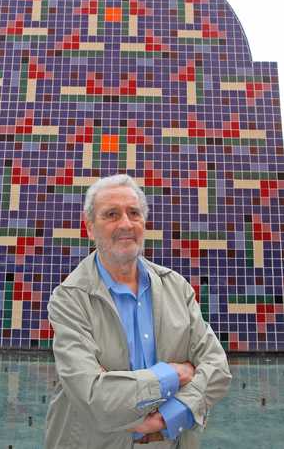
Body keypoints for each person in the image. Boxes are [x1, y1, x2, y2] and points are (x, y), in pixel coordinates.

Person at [45, 174, 231, 449]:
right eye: (111, 214)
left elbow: (217, 368)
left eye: (134, 213)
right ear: (89, 228)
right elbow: (94, 394)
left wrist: (166, 419)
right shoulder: (70, 299)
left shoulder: (176, 287)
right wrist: (174, 374)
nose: (125, 224)